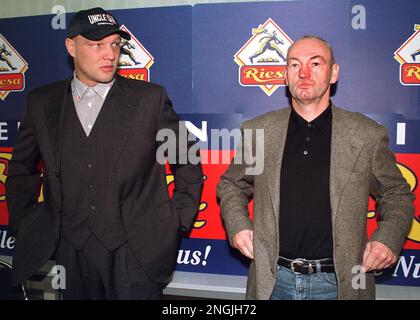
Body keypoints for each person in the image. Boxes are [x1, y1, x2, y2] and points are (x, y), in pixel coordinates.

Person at [6, 7, 203, 299]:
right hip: (70, 253)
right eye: (97, 45)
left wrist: (175, 221)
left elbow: (186, 158)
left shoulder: (149, 99)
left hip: (135, 253)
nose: (110, 54)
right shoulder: (42, 102)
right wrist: (28, 224)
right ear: (71, 47)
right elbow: (22, 169)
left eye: (114, 44)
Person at [217, 35, 414, 300]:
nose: (304, 73)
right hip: (273, 284)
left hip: (339, 285)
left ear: (334, 73)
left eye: (316, 63)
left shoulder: (366, 134)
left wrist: (388, 238)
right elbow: (232, 184)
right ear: (286, 76)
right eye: (295, 65)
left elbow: (397, 194)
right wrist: (238, 225)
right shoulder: (260, 131)